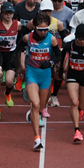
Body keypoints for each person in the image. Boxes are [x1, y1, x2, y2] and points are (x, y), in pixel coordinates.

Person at [20, 13, 56, 149]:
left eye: (45, 29)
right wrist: (22, 63)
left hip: (46, 75)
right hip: (32, 74)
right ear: (35, 28)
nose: (43, 32)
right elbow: (18, 48)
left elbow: (59, 55)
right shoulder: (27, 38)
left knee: (40, 107)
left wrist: (51, 62)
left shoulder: (51, 39)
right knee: (35, 104)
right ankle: (36, 139)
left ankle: (34, 113)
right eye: (40, 29)